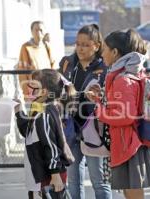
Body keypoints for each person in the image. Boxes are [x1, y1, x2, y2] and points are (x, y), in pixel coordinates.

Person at [87, 29, 150, 199]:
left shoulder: (122, 79)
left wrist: (98, 108)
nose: (101, 52)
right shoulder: (130, 73)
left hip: (128, 145)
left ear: (115, 52)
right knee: (131, 192)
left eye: (104, 48)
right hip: (131, 142)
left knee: (133, 193)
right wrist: (101, 98)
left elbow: (125, 116)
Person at [59, 24, 112, 199]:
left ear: (96, 46)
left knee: (99, 182)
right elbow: (58, 90)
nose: (80, 48)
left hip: (93, 128)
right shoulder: (66, 62)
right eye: (78, 44)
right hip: (69, 126)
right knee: (73, 181)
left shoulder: (104, 65)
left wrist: (98, 96)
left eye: (85, 44)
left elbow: (109, 95)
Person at [15, 69, 75, 199]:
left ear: (44, 92)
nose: (29, 88)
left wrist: (55, 174)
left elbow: (51, 145)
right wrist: (19, 112)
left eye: (34, 86)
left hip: (48, 178)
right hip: (40, 177)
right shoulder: (40, 108)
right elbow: (29, 133)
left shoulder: (44, 114)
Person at [17, 21, 56, 100]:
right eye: (36, 30)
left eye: (41, 30)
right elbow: (22, 72)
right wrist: (27, 93)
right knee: (36, 111)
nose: (38, 32)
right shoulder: (26, 47)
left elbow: (53, 67)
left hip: (47, 89)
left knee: (48, 111)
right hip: (33, 91)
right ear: (31, 32)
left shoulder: (46, 46)